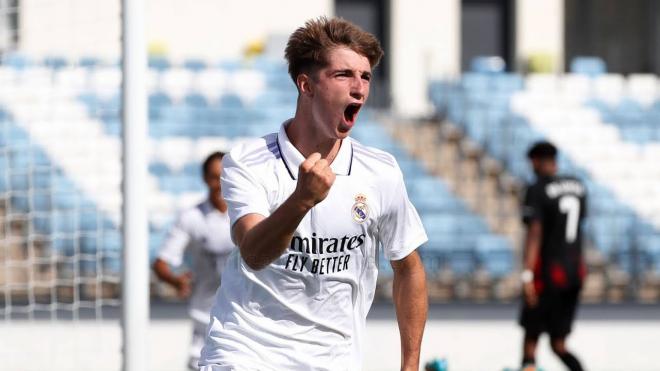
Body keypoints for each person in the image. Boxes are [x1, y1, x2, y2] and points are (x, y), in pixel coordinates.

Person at [199, 17, 428, 371]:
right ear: (305, 85)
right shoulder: (249, 162)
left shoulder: (380, 171)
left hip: (333, 358)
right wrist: (302, 200)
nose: (360, 88)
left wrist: (410, 365)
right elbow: (255, 254)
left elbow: (409, 269)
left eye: (365, 76)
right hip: (246, 351)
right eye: (343, 75)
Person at [152, 152, 235, 371]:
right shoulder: (191, 218)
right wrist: (176, 281)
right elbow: (160, 263)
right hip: (204, 318)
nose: (219, 184)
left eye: (223, 176)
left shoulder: (248, 215)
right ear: (205, 179)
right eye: (213, 177)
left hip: (243, 316)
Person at [519, 141, 587, 371]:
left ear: (536, 161)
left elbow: (535, 232)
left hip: (547, 275)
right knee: (559, 344)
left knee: (531, 339)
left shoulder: (537, 189)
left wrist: (527, 274)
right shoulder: (578, 186)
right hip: (574, 274)